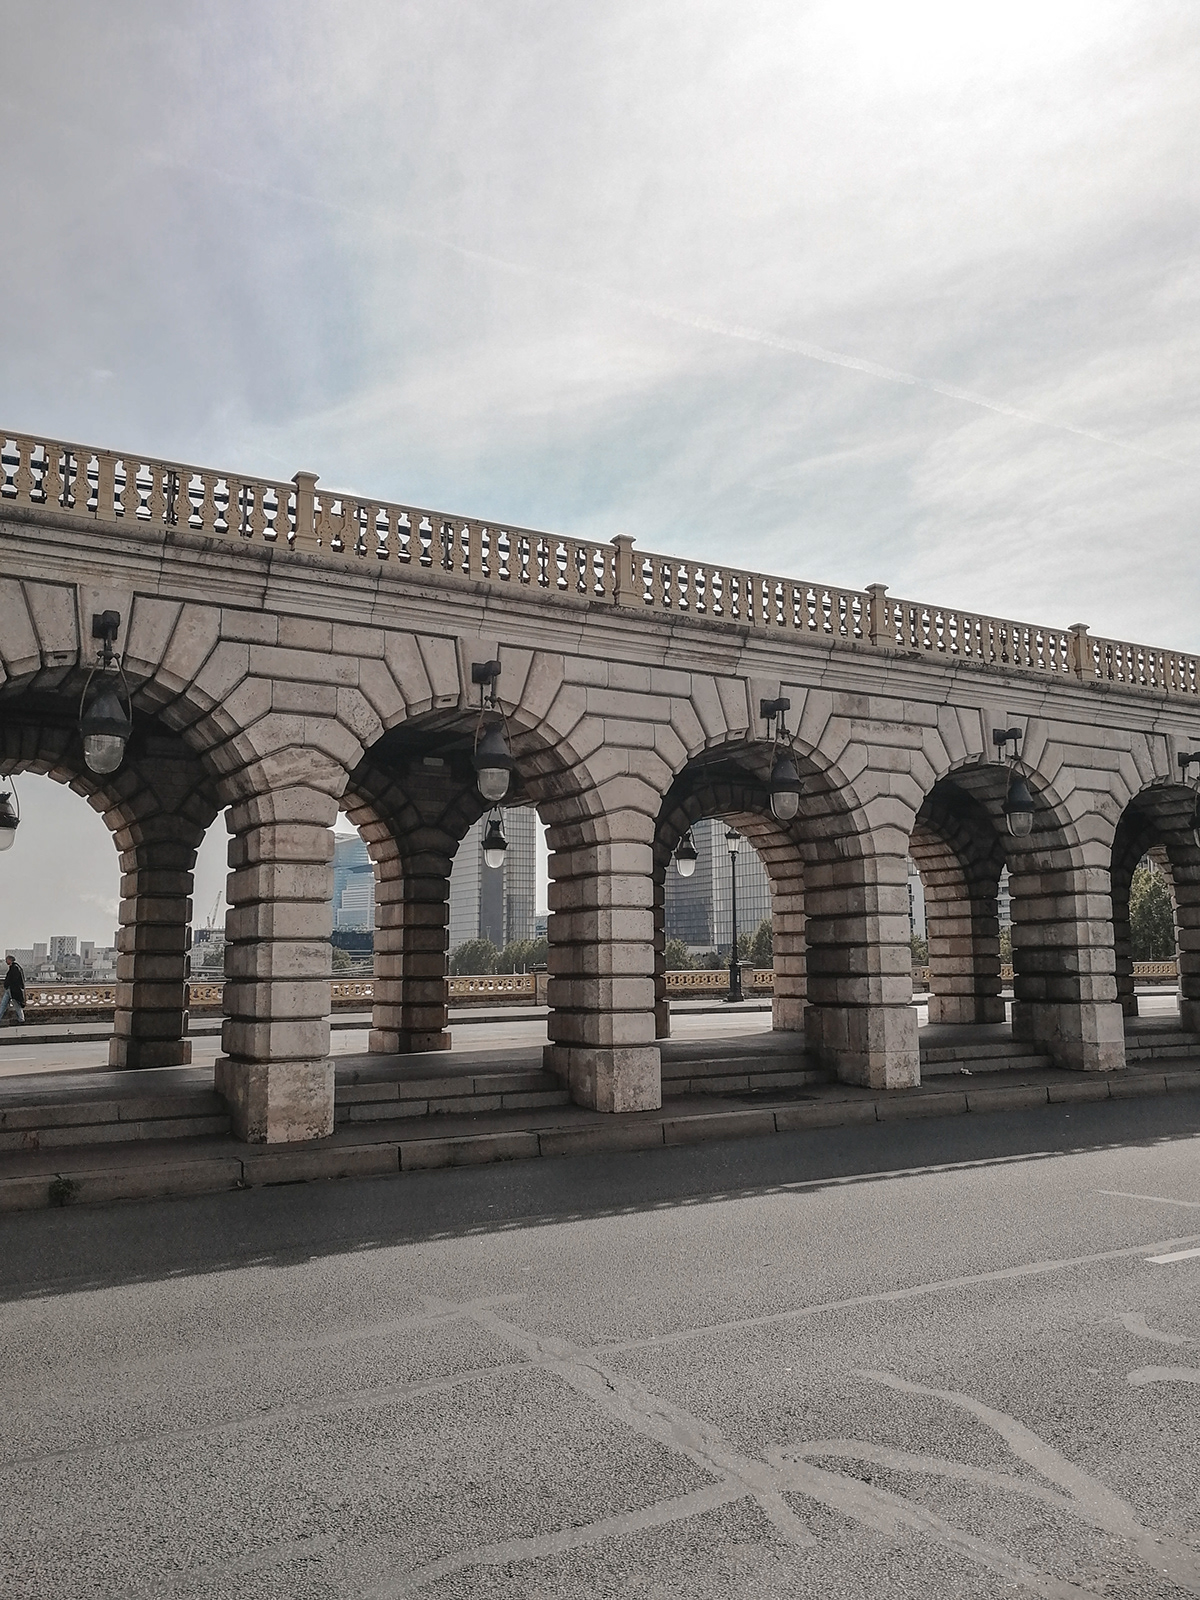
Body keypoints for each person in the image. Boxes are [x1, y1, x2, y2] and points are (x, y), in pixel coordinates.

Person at [1, 954, 26, 1024]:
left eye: (7, 960)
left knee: (12, 1004)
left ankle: (21, 1019)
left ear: (10, 960)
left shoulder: (14, 968)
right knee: (6, 1004)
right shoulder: (16, 967)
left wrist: (7, 985)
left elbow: (13, 979)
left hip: (12, 990)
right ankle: (21, 1019)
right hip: (11, 990)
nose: (6, 961)